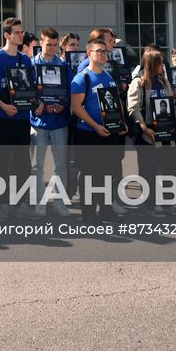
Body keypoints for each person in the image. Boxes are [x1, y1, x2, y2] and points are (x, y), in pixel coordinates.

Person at [0, 17, 35, 217]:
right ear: (7, 35)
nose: (21, 35)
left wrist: (35, 104)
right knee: (4, 162)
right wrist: (2, 106)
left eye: (22, 32)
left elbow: (30, 87)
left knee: (22, 162)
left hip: (23, 118)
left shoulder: (26, 59)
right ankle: (3, 205)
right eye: (17, 32)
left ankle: (20, 202)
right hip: (4, 118)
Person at [70, 37, 122, 222]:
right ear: (89, 53)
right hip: (88, 133)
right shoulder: (81, 78)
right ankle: (89, 213)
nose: (102, 54)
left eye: (104, 51)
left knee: (107, 173)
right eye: (98, 51)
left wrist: (119, 124)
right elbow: (76, 107)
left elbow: (114, 104)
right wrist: (95, 126)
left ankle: (106, 210)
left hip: (108, 133)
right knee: (90, 174)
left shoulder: (108, 77)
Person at [128, 44, 176, 213]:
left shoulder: (163, 81)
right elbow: (133, 108)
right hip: (148, 132)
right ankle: (151, 203)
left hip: (167, 131)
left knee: (170, 166)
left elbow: (171, 104)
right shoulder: (138, 82)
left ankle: (169, 199)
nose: (163, 65)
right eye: (160, 62)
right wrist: (144, 127)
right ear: (151, 63)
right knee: (149, 169)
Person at [29, 28, 69, 217]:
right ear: (41, 43)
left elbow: (70, 90)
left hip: (59, 121)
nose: (52, 48)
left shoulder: (63, 64)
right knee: (37, 166)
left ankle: (59, 202)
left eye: (55, 45)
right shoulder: (31, 64)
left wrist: (62, 104)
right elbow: (27, 92)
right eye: (48, 44)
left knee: (61, 165)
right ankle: (39, 202)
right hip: (38, 121)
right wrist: (38, 105)